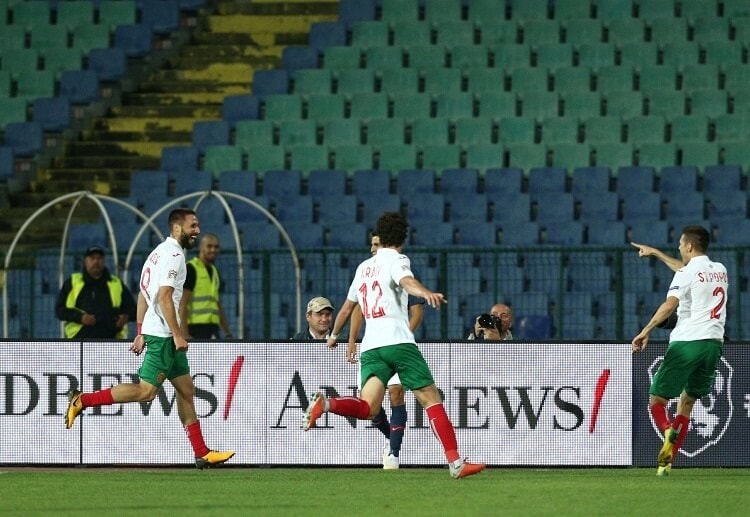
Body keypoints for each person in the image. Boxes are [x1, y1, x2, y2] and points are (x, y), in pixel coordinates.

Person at [303, 212, 485, 479]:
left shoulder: (363, 267)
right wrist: (426, 293)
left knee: (369, 408)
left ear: (380, 235)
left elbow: (346, 308)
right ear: (402, 238)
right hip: (398, 342)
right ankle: (455, 463)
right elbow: (406, 282)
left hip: (371, 347)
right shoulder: (398, 259)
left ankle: (328, 404)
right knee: (431, 400)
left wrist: (334, 336)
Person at [64, 209, 235, 469]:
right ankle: (82, 400)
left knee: (186, 390)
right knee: (146, 392)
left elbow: (144, 294)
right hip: (165, 336)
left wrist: (140, 330)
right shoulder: (175, 257)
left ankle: (202, 453)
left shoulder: (157, 253)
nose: (197, 231)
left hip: (157, 331)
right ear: (177, 228)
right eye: (193, 226)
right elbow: (164, 298)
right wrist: (177, 334)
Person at [631, 225, 728, 477]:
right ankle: (667, 462)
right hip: (713, 344)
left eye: (680, 244)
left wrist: (646, 330)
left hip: (687, 342)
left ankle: (666, 429)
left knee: (657, 400)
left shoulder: (686, 273)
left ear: (688, 246)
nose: (678, 248)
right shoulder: (720, 270)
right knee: (687, 403)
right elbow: (688, 272)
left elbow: (669, 305)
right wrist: (658, 254)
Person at [347, 233, 425, 470]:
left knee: (397, 394)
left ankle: (393, 453)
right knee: (371, 407)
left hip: (396, 344)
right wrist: (351, 339)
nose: (373, 249)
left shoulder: (401, 272)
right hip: (374, 346)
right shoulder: (366, 274)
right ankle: (391, 438)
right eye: (371, 244)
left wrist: (402, 336)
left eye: (377, 244)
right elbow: (357, 309)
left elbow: (417, 312)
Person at [55, 245, 137, 339]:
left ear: (104, 261)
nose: (96, 261)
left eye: (99, 258)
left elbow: (133, 310)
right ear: (85, 261)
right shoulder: (72, 283)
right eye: (92, 258)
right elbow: (60, 310)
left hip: (111, 340)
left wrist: (125, 317)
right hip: (79, 341)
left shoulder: (116, 283)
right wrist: (81, 317)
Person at [180, 233, 233, 339]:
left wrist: (227, 333)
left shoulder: (215, 271)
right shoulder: (191, 269)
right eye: (209, 246)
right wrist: (184, 334)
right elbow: (182, 303)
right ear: (201, 247)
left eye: (216, 247)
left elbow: (217, 304)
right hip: (194, 329)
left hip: (212, 328)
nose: (213, 250)